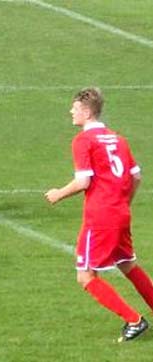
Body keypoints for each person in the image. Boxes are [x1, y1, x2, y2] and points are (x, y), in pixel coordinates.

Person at [45, 87, 153, 342]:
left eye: (74, 108)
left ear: (86, 111)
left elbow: (83, 181)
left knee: (85, 276)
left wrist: (58, 194)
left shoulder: (83, 141)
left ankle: (134, 320)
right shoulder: (118, 139)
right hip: (121, 212)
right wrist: (123, 201)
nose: (71, 112)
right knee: (127, 264)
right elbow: (135, 176)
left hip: (101, 217)